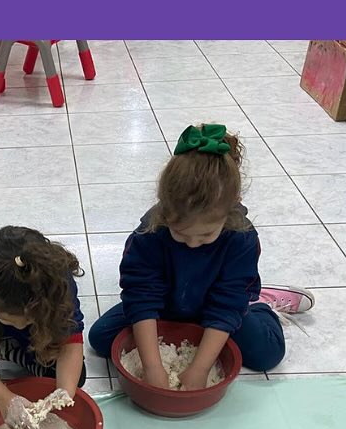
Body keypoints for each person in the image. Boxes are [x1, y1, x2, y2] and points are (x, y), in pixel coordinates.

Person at [87, 123, 307, 387]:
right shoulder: (150, 233)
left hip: (217, 303)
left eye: (205, 236)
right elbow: (141, 295)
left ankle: (262, 305)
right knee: (101, 338)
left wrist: (200, 368)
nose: (192, 244)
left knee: (267, 354)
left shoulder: (241, 238)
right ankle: (189, 320)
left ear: (230, 208)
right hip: (166, 304)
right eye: (180, 234)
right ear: (165, 208)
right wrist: (152, 366)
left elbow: (227, 303)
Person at [0, 227, 86, 429]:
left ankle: (13, 351)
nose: (20, 325)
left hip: (37, 332)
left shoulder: (57, 285)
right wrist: (4, 398)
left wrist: (62, 393)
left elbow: (71, 337)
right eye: (10, 320)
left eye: (27, 319)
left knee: (75, 378)